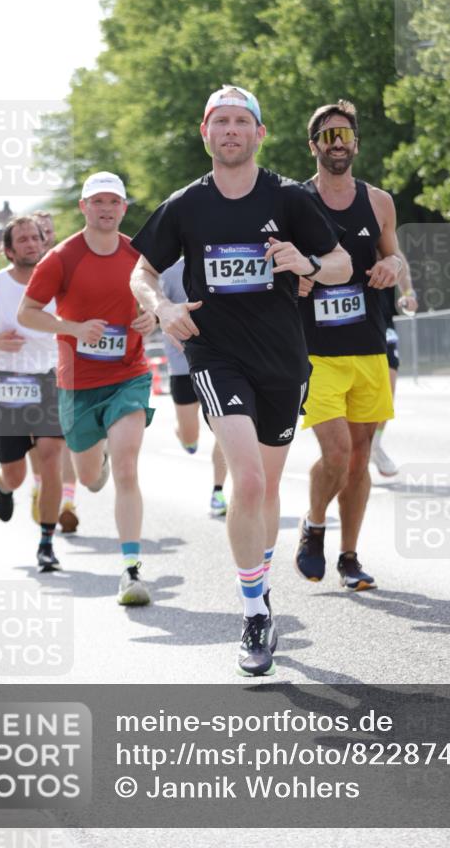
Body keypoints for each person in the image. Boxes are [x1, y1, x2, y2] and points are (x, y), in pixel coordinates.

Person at [130, 84, 351, 676]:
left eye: (241, 121)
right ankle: (253, 612)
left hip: (282, 360)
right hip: (215, 355)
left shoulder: (289, 198)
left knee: (268, 486)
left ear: (259, 133)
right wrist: (161, 307)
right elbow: (142, 271)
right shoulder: (186, 204)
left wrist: (307, 262)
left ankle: (261, 585)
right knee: (247, 480)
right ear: (205, 133)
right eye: (220, 121)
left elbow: (341, 263)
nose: (230, 130)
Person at [18, 172, 157, 605]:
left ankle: (131, 570)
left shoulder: (138, 255)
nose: (106, 209)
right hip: (78, 384)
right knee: (90, 479)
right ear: (84, 207)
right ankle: (102, 453)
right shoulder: (61, 258)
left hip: (130, 374)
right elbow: (27, 313)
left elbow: (156, 299)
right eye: (98, 201)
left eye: (114, 202)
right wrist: (73, 328)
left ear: (123, 208)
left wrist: (151, 317)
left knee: (128, 469)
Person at [295, 100, 401, 592]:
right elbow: (275, 261)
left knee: (360, 457)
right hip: (316, 351)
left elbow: (393, 256)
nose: (337, 144)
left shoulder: (378, 202)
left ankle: (350, 556)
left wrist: (392, 266)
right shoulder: (295, 202)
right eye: (328, 136)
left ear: (356, 143)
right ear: (313, 145)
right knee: (336, 452)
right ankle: (314, 522)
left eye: (344, 135)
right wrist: (293, 280)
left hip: (368, 346)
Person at [0, 217, 65, 572]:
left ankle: (46, 543)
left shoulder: (60, 280)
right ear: (8, 250)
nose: (31, 243)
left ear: (44, 243)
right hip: (7, 384)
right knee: (15, 474)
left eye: (36, 237)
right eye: (23, 239)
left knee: (51, 456)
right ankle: (3, 486)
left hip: (50, 380)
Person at [160, 259, 229, 516]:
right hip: (183, 365)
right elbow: (159, 312)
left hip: (222, 363)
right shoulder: (170, 272)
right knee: (191, 440)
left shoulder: (221, 262)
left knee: (227, 430)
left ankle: (218, 491)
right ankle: (182, 432)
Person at [29, 209, 79, 533]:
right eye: (39, 232)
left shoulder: (67, 265)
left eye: (49, 231)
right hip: (32, 368)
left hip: (67, 364)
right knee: (39, 441)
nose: (45, 236)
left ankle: (68, 502)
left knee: (67, 438)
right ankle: (40, 486)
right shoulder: (23, 275)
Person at [371, 255, 418, 477]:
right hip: (347, 320)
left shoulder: (382, 233)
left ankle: (374, 445)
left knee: (387, 393)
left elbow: (399, 259)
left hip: (383, 320)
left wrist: (408, 293)